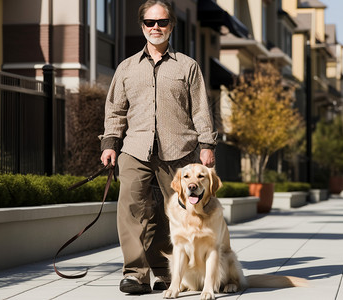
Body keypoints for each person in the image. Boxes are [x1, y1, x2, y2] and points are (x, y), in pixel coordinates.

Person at [99, 0, 217, 295]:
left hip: (179, 149)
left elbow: (201, 109)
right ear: (142, 26)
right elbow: (115, 110)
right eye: (150, 23)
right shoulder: (126, 68)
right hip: (135, 148)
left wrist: (206, 144)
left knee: (176, 212)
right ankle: (135, 274)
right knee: (131, 209)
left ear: (171, 26)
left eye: (161, 22)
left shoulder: (188, 66)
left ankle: (169, 273)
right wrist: (110, 143)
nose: (156, 28)